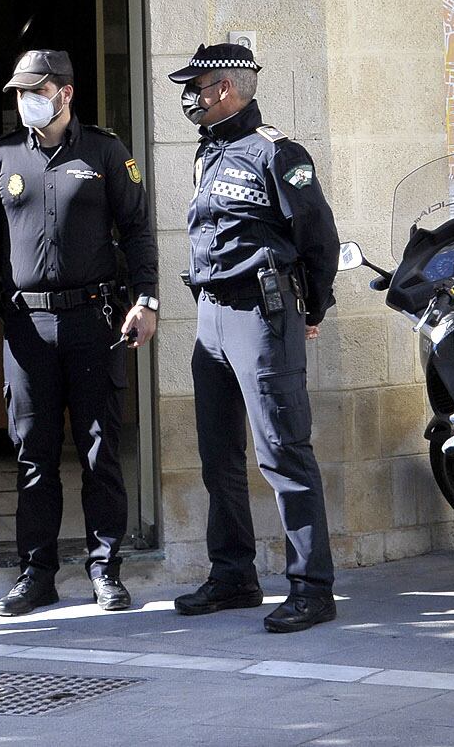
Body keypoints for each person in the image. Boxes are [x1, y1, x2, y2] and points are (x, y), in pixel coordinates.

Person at [0, 49, 159, 616]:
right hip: (27, 326)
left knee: (100, 450)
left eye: (35, 90)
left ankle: (105, 569)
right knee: (34, 453)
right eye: (19, 92)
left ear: (65, 93)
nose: (26, 101)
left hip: (95, 320)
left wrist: (146, 300)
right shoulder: (0, 159)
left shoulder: (105, 151)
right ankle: (35, 572)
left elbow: (139, 229)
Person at [167, 43, 341, 633]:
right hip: (212, 316)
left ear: (227, 89)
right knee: (219, 455)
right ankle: (233, 575)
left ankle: (312, 587)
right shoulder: (207, 154)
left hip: (264, 316)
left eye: (198, 85)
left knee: (283, 451)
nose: (190, 96)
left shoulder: (276, 151)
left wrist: (312, 306)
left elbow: (319, 237)